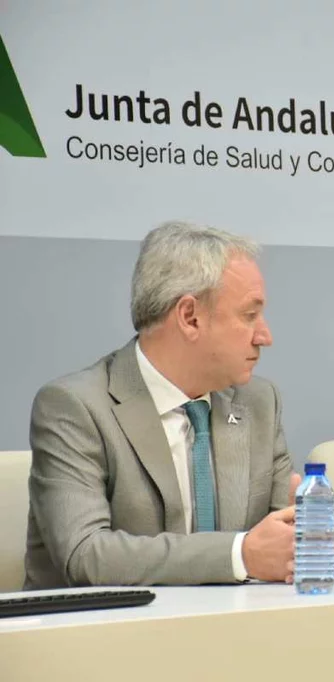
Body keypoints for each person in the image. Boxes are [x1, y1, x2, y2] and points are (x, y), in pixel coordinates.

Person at [24, 221, 300, 588]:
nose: (265, 336)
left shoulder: (261, 404)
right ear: (190, 317)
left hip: (236, 635)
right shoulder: (74, 408)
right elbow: (85, 555)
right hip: (104, 636)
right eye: (249, 316)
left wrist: (309, 543)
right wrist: (240, 555)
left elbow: (285, 546)